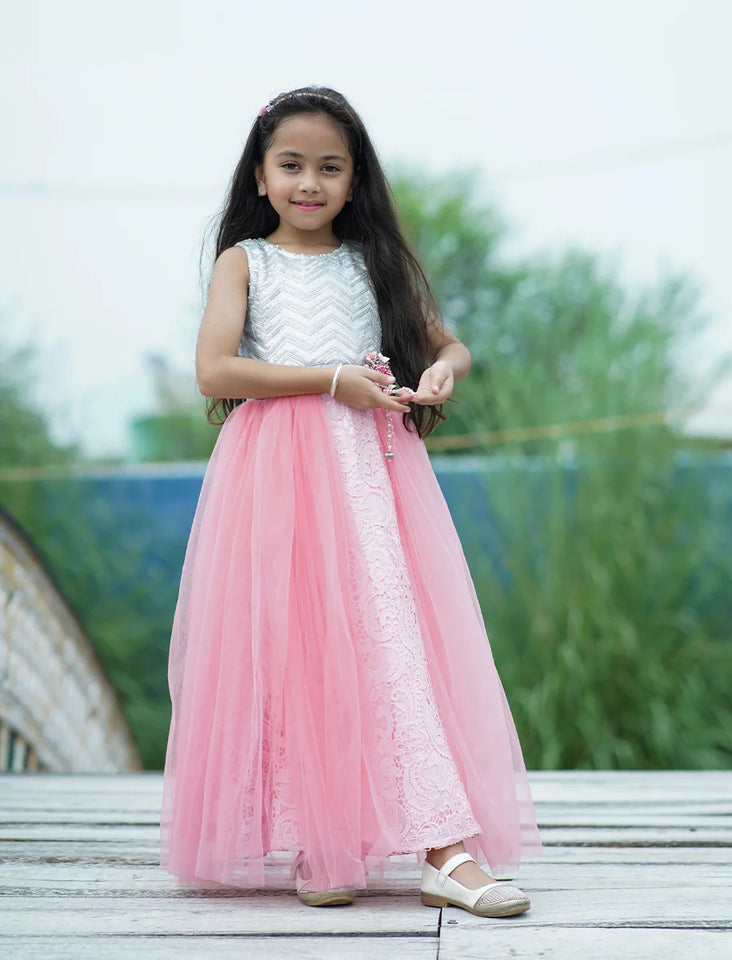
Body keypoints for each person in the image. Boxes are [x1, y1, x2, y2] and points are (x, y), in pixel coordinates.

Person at [159, 85, 544, 918]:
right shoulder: (245, 262)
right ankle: (320, 837)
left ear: (354, 178)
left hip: (372, 473)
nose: (310, 182)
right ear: (260, 176)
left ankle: (447, 848)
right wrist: (332, 379)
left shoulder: (371, 261)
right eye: (291, 165)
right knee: (299, 650)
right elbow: (215, 370)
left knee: (392, 640)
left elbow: (446, 341)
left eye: (330, 167)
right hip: (275, 481)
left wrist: (448, 368)